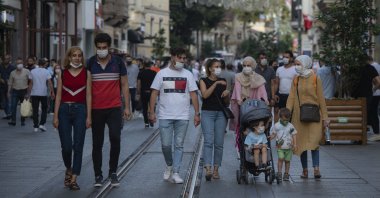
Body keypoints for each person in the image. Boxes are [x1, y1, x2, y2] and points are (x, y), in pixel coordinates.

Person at [149, 47, 200, 184]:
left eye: (184, 58)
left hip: (182, 116)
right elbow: (154, 93)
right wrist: (151, 112)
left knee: (179, 145)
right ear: (172, 57)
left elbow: (194, 94)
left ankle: (176, 172)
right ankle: (169, 165)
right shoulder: (161, 73)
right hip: (165, 115)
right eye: (179, 57)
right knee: (165, 145)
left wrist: (196, 113)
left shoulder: (188, 74)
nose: (182, 60)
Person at [87, 33, 131, 187]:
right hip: (96, 109)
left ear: (109, 47)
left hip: (114, 108)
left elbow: (124, 85)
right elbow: (87, 88)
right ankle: (98, 175)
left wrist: (127, 107)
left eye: (104, 47)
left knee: (115, 138)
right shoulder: (90, 63)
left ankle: (113, 172)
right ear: (95, 47)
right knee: (97, 143)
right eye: (99, 48)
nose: (101, 50)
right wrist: (87, 113)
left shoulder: (118, 62)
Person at [53, 46, 92, 190]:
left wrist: (89, 116)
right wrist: (55, 115)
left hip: (81, 110)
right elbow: (58, 96)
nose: (77, 58)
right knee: (67, 146)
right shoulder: (62, 73)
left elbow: (88, 95)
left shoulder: (87, 73)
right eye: (74, 55)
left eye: (79, 55)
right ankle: (68, 168)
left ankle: (74, 177)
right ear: (69, 58)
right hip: (63, 110)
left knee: (78, 145)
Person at [286, 55, 329, 179]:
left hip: (315, 116)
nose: (296, 66)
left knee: (314, 142)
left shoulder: (315, 78)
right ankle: (305, 170)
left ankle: (316, 169)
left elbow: (321, 98)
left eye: (298, 64)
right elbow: (291, 97)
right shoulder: (296, 79)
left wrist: (325, 117)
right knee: (302, 143)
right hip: (299, 117)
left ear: (305, 64)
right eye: (295, 64)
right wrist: (286, 114)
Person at [199, 59, 229, 181]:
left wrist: (227, 94)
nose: (218, 69)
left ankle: (216, 169)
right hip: (207, 113)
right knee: (208, 141)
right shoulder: (203, 80)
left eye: (220, 67)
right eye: (216, 66)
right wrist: (216, 84)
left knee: (219, 143)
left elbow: (226, 103)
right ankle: (208, 168)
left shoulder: (224, 81)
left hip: (221, 114)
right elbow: (205, 95)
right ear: (210, 68)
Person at [230, 56, 267, 132]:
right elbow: (237, 89)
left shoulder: (258, 78)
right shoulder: (238, 76)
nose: (246, 67)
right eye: (244, 65)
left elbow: (262, 91)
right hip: (241, 103)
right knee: (241, 124)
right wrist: (239, 100)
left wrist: (265, 100)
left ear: (253, 66)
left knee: (254, 124)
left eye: (249, 65)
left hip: (254, 104)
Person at [353, 55, 380, 141]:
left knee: (358, 115)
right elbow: (378, 82)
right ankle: (370, 134)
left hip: (356, 95)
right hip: (368, 95)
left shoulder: (354, 68)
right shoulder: (371, 68)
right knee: (369, 113)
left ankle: (358, 135)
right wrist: (373, 90)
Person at [270, 108, 297, 182]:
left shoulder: (290, 126)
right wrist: (270, 137)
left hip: (289, 147)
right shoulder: (277, 125)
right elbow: (274, 134)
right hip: (280, 146)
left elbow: (294, 134)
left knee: (287, 161)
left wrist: (295, 144)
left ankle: (286, 173)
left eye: (287, 120)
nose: (286, 122)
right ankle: (279, 173)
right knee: (281, 158)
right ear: (280, 117)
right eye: (284, 120)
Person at [28, 59, 55, 132]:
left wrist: (28, 93)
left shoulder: (32, 71)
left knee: (35, 109)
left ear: (38, 63)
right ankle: (42, 124)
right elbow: (50, 83)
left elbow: (30, 83)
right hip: (43, 93)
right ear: (45, 64)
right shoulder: (46, 71)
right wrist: (52, 92)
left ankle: (35, 126)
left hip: (34, 93)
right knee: (44, 109)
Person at [7, 58, 30, 126]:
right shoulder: (12, 73)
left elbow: (30, 82)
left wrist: (28, 93)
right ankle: (13, 121)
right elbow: (10, 83)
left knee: (23, 107)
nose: (19, 65)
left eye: (20, 63)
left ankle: (23, 121)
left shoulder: (27, 71)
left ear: (22, 64)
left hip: (24, 91)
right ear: (16, 64)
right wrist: (8, 92)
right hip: (15, 91)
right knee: (13, 106)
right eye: (18, 63)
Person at [136, 60, 157, 128]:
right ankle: (152, 119)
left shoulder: (141, 73)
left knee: (144, 108)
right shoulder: (154, 73)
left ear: (144, 65)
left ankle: (146, 123)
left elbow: (139, 84)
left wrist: (138, 92)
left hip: (143, 92)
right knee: (152, 107)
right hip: (152, 92)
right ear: (150, 66)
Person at [0, 54, 15, 119]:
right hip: (1, 86)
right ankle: (8, 113)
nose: (6, 60)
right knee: (3, 100)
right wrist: (0, 79)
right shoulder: (0, 66)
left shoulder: (12, 67)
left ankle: (9, 113)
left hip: (10, 86)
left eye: (8, 59)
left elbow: (15, 76)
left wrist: (10, 80)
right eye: (5, 59)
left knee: (9, 100)